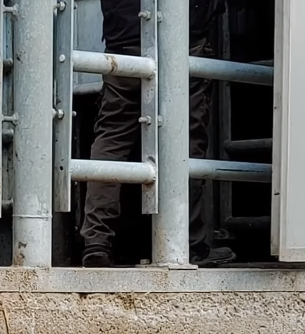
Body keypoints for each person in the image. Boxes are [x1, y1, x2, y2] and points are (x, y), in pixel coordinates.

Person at [80, 0, 237, 267]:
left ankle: (96, 241)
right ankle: (189, 244)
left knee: (112, 139)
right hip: (182, 40)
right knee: (185, 142)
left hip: (124, 38)